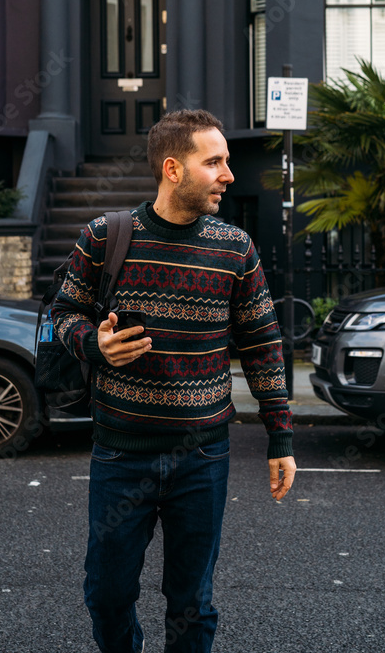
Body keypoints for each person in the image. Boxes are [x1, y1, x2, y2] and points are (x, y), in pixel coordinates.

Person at [51, 109, 296, 653]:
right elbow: (63, 313)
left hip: (203, 458)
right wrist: (96, 344)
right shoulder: (105, 237)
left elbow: (262, 345)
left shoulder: (236, 249)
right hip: (120, 454)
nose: (229, 174)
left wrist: (280, 437)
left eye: (227, 161)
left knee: (192, 603)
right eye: (214, 162)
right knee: (108, 595)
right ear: (173, 169)